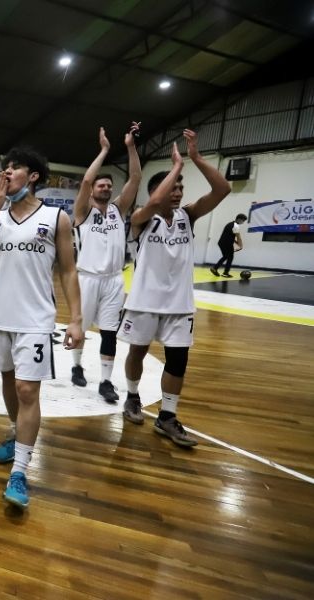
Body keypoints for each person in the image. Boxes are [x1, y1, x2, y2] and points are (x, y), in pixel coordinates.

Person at [0, 147, 83, 509]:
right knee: (7, 383)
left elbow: (68, 269)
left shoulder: (55, 217)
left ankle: (20, 470)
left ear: (33, 176)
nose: (7, 172)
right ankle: (18, 435)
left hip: (35, 318)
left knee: (27, 390)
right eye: (4, 167)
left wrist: (77, 319)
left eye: (14, 167)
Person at [119, 129, 231, 446]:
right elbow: (154, 200)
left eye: (181, 187)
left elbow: (223, 188)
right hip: (144, 302)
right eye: (173, 187)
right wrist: (176, 167)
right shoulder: (141, 218)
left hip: (180, 305)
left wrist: (195, 158)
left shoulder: (188, 216)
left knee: (178, 360)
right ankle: (131, 396)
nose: (178, 191)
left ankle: (167, 417)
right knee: (137, 352)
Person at [70, 123, 141, 403]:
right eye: (102, 184)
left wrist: (131, 148)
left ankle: (106, 381)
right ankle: (76, 365)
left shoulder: (117, 210)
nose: (106, 188)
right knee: (82, 327)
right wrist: (104, 151)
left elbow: (135, 179)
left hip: (113, 279)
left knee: (109, 331)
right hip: (86, 277)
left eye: (109, 185)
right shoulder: (82, 211)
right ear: (92, 190)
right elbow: (86, 181)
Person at [211, 213, 247, 277]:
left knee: (226, 256)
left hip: (222, 242)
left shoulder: (230, 224)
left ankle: (216, 268)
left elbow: (230, 235)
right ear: (239, 219)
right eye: (243, 221)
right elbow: (238, 237)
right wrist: (241, 246)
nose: (243, 222)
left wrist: (236, 242)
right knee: (229, 257)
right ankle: (225, 273)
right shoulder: (236, 226)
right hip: (227, 243)